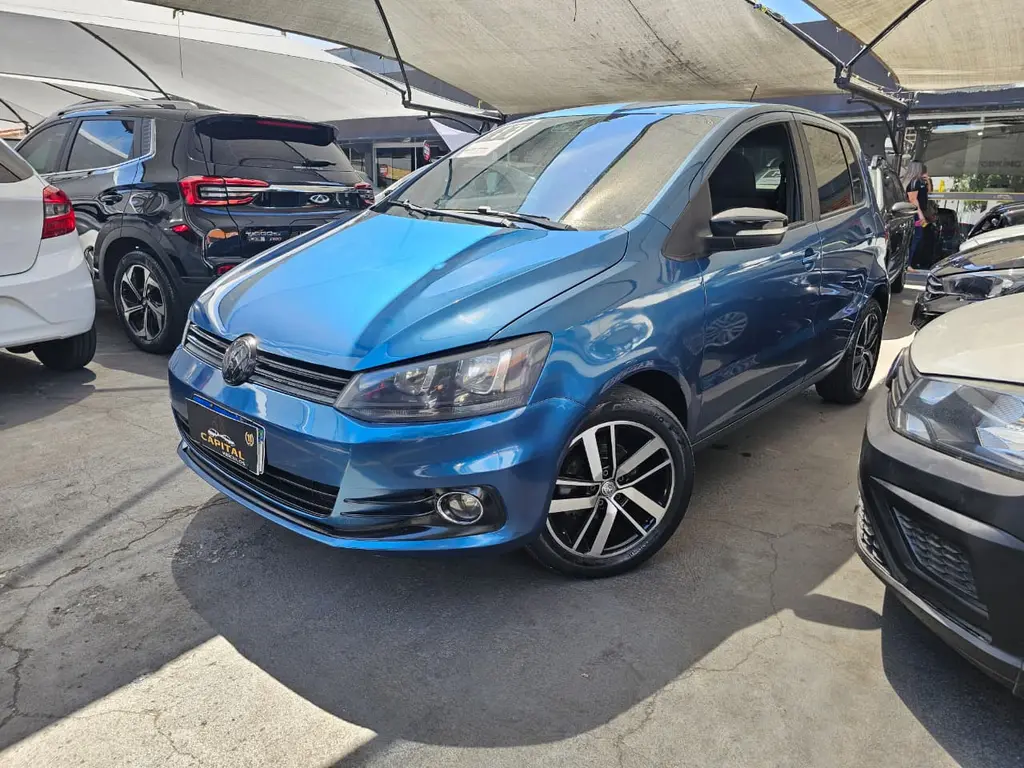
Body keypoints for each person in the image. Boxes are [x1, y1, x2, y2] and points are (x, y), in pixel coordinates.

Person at [903, 161, 935, 268]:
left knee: (919, 237)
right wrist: (920, 214)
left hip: (919, 213)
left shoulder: (920, 182)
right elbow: (913, 200)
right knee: (916, 237)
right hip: (916, 214)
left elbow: (928, 192)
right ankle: (908, 263)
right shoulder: (914, 183)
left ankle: (910, 263)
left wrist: (928, 181)